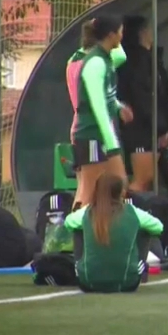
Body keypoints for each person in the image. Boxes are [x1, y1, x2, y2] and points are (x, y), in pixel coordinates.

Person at [66, 15, 132, 208]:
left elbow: (107, 97)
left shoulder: (105, 59)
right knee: (89, 189)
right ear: (111, 35)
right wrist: (112, 144)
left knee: (118, 185)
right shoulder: (94, 63)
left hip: (101, 136)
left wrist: (119, 107)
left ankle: (107, 230)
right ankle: (75, 232)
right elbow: (98, 107)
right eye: (120, 31)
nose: (122, 36)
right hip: (91, 134)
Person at [65, 172, 165, 293]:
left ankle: (83, 269)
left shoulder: (87, 212)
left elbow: (68, 223)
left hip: (87, 283)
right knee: (145, 230)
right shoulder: (132, 212)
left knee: (78, 229)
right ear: (121, 192)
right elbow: (158, 227)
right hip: (127, 282)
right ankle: (136, 269)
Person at [116, 15, 168, 194]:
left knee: (151, 180)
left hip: (150, 127)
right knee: (143, 179)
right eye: (149, 29)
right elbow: (144, 97)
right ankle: (124, 212)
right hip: (141, 129)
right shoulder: (136, 61)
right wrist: (160, 127)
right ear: (143, 32)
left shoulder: (150, 59)